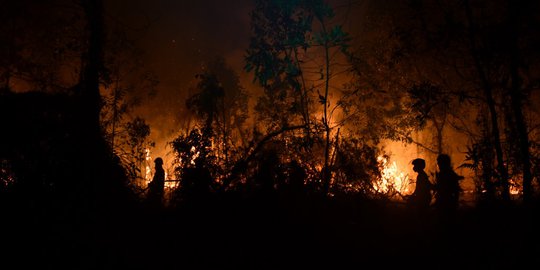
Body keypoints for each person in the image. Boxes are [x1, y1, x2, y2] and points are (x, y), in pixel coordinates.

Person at [433, 154, 464, 219]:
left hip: (446, 202)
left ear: (444, 163)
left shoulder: (447, 174)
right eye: (438, 162)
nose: (438, 164)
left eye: (439, 162)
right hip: (444, 202)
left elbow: (454, 189)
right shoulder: (446, 173)